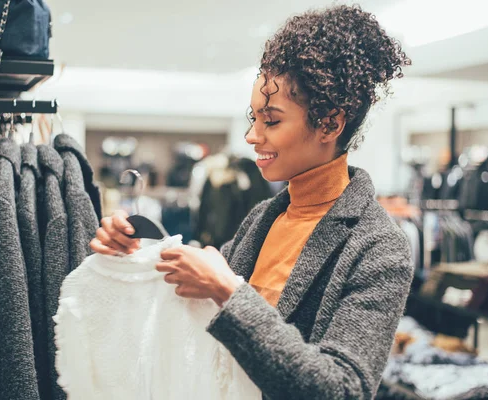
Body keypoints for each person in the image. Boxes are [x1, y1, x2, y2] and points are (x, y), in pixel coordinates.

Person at [90, 4, 413, 399]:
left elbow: (341, 389)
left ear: (330, 122)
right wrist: (136, 251)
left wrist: (230, 293)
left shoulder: (379, 246)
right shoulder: (264, 217)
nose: (251, 136)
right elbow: (196, 299)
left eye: (271, 121)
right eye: (253, 118)